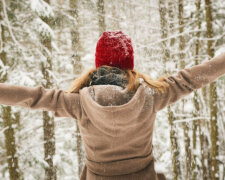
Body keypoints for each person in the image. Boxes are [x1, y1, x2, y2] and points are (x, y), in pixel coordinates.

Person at [0, 31, 225, 180]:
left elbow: (34, 97)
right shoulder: (151, 96)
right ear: (129, 65)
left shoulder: (79, 103)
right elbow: (190, 79)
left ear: (98, 64)